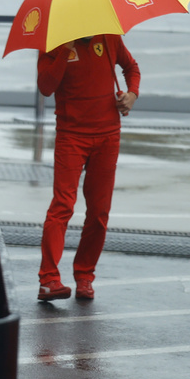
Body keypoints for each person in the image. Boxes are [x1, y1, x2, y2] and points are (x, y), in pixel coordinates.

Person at [35, 34, 140, 301]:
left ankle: (84, 276)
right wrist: (64, 50)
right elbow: (46, 87)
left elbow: (131, 67)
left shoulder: (110, 37)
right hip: (71, 136)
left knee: (99, 211)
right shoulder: (53, 42)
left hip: (108, 136)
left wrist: (131, 94)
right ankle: (48, 279)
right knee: (63, 205)